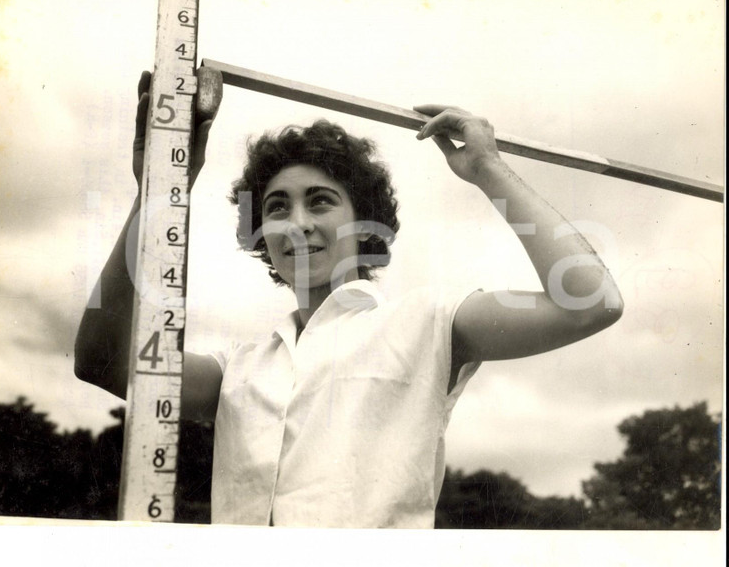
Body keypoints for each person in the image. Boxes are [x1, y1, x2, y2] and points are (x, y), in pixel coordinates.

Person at [75, 70, 623, 528]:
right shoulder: (236, 370)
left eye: (320, 202)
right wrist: (157, 188)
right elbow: (101, 360)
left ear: (364, 224)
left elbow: (592, 302)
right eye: (276, 208)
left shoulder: (428, 322)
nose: (297, 224)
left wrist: (487, 169)